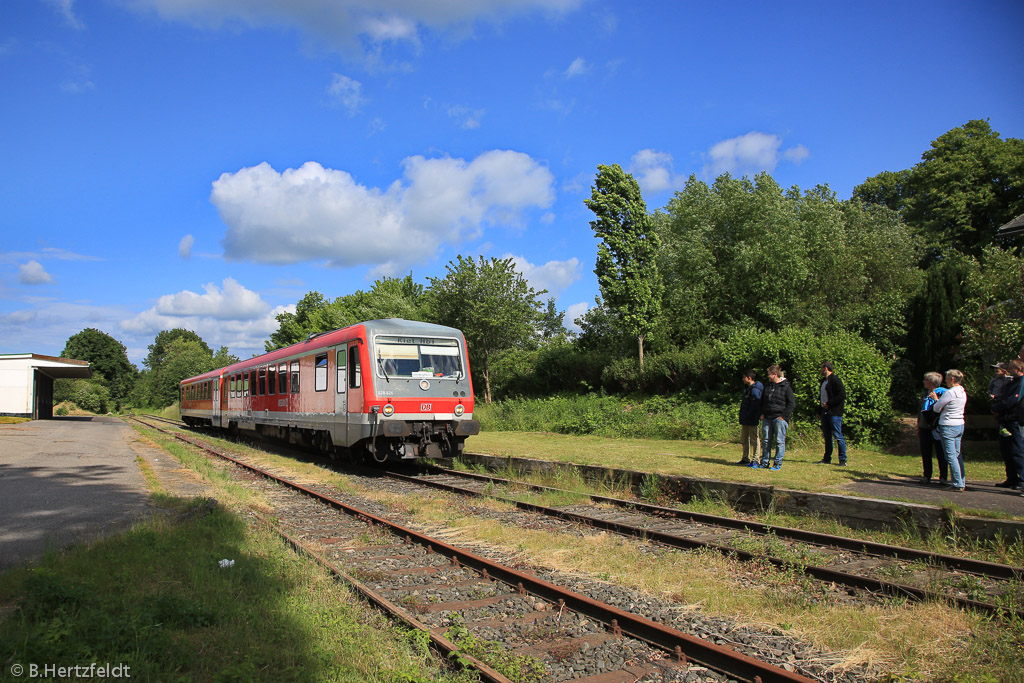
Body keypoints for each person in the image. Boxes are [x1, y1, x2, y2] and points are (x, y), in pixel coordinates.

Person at [930, 369, 968, 492]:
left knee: (950, 455)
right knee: (957, 454)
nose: (945, 380)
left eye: (947, 378)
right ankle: (961, 480)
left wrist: (936, 399)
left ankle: (957, 483)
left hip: (948, 425)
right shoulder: (962, 392)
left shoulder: (950, 393)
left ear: (952, 379)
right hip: (959, 424)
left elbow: (937, 408)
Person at [754, 365, 795, 471]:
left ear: (775, 375)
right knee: (766, 440)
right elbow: (763, 401)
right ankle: (765, 461)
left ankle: (777, 463)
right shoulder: (768, 386)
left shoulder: (786, 387)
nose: (768, 376)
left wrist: (784, 416)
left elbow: (791, 403)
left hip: (779, 418)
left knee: (779, 441)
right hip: (767, 417)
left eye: (769, 374)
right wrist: (762, 413)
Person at [992, 359, 1024, 490]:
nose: (1009, 371)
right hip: (1004, 420)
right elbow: (1002, 397)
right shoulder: (1010, 382)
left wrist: (998, 407)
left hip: (1014, 419)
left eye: (1011, 368)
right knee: (1006, 450)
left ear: (1019, 370)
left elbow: (1013, 401)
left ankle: (1022, 478)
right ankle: (1011, 477)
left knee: (1016, 450)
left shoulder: (1021, 384)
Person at [917, 372, 948, 485]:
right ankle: (927, 475)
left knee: (941, 452)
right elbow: (920, 412)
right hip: (924, 426)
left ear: (932, 382)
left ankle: (943, 477)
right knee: (926, 452)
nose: (924, 381)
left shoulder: (943, 394)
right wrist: (918, 426)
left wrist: (936, 400)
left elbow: (942, 409)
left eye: (926, 380)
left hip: (937, 427)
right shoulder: (924, 395)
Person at [816, 362, 847, 466]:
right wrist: (819, 410)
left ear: (826, 368)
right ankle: (827, 458)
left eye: (821, 368)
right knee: (827, 436)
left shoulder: (835, 380)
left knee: (838, 435)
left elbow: (842, 395)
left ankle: (842, 459)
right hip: (824, 411)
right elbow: (821, 397)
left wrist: (830, 404)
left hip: (835, 412)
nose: (821, 370)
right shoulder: (823, 382)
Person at [737, 370, 763, 465]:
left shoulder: (755, 390)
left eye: (744, 377)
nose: (743, 379)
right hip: (745, 418)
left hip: (752, 418)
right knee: (744, 439)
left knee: (754, 439)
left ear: (749, 378)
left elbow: (756, 404)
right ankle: (745, 458)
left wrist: (753, 415)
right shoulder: (748, 389)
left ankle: (755, 459)